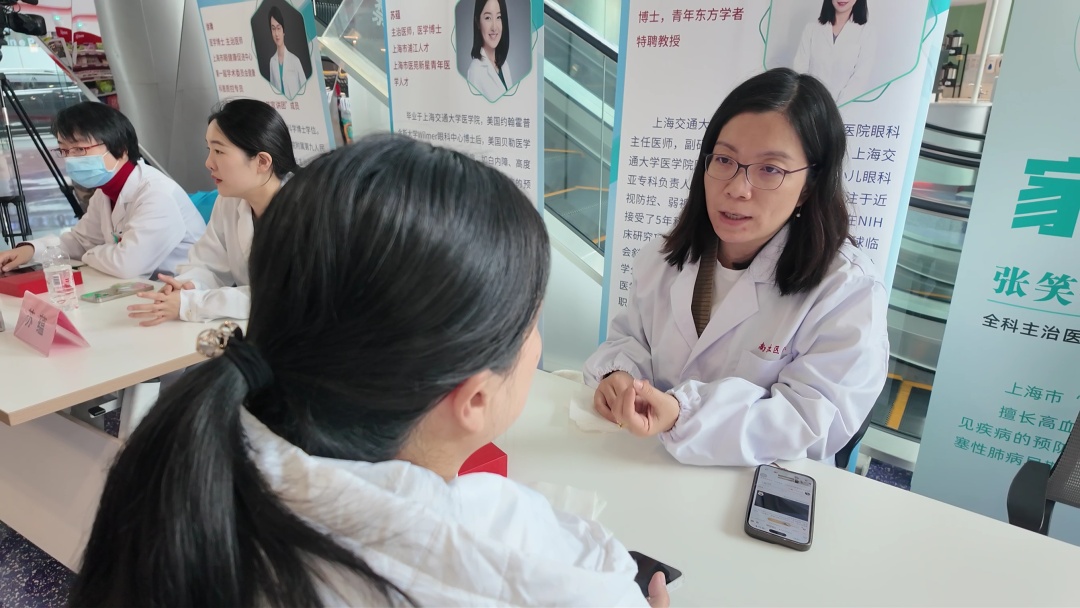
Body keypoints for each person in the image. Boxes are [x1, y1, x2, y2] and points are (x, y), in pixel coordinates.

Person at [70, 134, 668, 608]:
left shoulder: (183, 467)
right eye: (531, 327)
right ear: (475, 398)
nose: (536, 347)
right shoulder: (558, 576)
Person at [585, 68, 889, 467]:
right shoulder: (663, 257)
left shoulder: (846, 291)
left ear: (809, 186)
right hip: (648, 465)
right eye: (725, 160)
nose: (736, 188)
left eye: (770, 169)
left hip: (752, 486)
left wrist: (683, 414)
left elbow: (810, 421)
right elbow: (630, 339)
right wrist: (619, 376)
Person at [127, 99, 297, 326]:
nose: (208, 163)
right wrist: (188, 286)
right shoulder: (229, 201)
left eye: (219, 151)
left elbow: (284, 296)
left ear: (262, 161)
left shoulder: (309, 208)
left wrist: (193, 304)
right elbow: (208, 264)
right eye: (209, 150)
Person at [0, 102, 206, 278]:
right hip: (144, 290)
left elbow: (127, 265)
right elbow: (80, 241)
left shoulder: (157, 193)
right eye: (64, 150)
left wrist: (91, 254)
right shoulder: (105, 192)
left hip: (185, 294)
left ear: (121, 148)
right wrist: (30, 250)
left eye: (80, 149)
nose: (70, 158)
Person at [792, 0, 874, 104]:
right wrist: (813, 106)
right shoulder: (811, 29)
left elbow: (860, 79)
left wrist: (836, 109)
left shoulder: (867, 32)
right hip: (811, 106)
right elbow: (800, 71)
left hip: (845, 109)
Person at [467, 0, 514, 102]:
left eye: (499, 17)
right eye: (488, 18)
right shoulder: (475, 71)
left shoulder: (504, 65)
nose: (494, 27)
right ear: (478, 22)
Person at [267, 6, 306, 99]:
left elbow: (306, 89)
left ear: (283, 31)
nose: (276, 34)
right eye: (273, 29)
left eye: (278, 28)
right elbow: (272, 92)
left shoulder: (295, 60)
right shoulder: (272, 62)